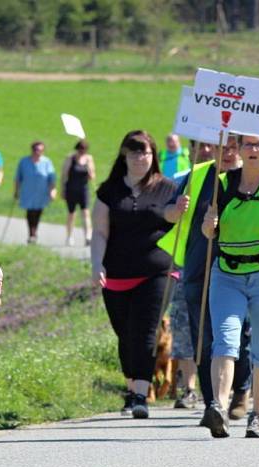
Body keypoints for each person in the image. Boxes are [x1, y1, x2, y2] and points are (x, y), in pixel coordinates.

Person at [199, 130, 259, 439]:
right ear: (238, 148)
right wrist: (208, 225)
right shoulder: (224, 183)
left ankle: (258, 415)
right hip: (227, 274)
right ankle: (219, 407)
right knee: (225, 342)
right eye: (247, 144)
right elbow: (207, 232)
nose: (253, 149)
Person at [162, 137, 254, 423]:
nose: (226, 154)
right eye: (221, 148)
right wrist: (176, 209)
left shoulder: (250, 180)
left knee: (239, 336)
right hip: (199, 269)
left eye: (231, 148)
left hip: (239, 272)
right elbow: (167, 214)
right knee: (203, 339)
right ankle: (212, 401)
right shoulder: (196, 175)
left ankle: (241, 390)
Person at [91, 130, 176, 419]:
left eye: (146, 152)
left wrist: (178, 210)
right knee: (124, 334)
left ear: (154, 156)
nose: (141, 157)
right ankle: (131, 387)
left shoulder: (168, 188)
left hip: (158, 272)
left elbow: (173, 219)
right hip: (116, 273)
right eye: (135, 152)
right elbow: (100, 232)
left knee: (146, 331)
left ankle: (141, 393)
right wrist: (96, 264)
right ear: (124, 156)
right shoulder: (109, 190)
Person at [166, 140, 215, 410]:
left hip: (223, 266)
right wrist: (176, 209)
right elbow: (167, 216)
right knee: (184, 326)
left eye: (210, 146)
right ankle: (189, 388)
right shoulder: (183, 180)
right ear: (191, 149)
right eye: (199, 146)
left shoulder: (229, 179)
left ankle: (223, 386)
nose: (205, 151)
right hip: (187, 265)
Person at [14, 141, 56, 244]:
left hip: (41, 192)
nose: (38, 152)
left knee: (38, 212)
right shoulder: (24, 162)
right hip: (28, 191)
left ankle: (34, 231)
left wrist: (52, 191)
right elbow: (18, 178)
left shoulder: (47, 162)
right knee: (30, 212)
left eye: (40, 150)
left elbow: (52, 178)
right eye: (36, 150)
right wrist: (16, 191)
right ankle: (31, 233)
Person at [61, 139, 95, 247]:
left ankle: (88, 236)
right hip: (71, 189)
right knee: (72, 213)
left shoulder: (89, 159)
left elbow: (92, 176)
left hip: (83, 189)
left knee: (85, 212)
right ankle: (69, 236)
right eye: (80, 150)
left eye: (84, 150)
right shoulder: (70, 158)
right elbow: (64, 175)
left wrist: (89, 169)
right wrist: (62, 189)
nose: (82, 152)